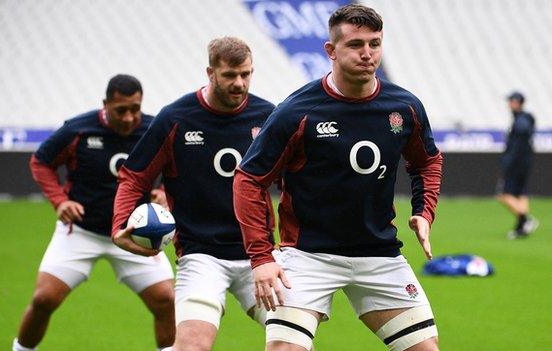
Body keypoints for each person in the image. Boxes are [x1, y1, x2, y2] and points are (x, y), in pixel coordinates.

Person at [233, 4, 442, 351]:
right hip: (308, 256)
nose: (367, 54)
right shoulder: (297, 112)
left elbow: (427, 162)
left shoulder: (404, 107)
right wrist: (261, 257)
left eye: (374, 44)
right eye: (356, 45)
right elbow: (248, 179)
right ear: (331, 50)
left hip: (379, 255)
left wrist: (424, 211)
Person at [112, 37, 275, 351]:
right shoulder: (176, 117)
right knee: (192, 347)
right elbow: (134, 177)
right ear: (210, 72)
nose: (239, 83)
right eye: (230, 75)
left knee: (295, 341)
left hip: (259, 255)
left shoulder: (268, 116)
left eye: (246, 74)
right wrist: (120, 224)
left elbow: (296, 181)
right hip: (201, 256)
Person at [13, 75, 175, 351]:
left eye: (135, 109)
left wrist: (164, 192)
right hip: (81, 231)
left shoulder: (153, 129)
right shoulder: (78, 129)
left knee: (166, 301)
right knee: (44, 299)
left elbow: (175, 166)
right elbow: (40, 162)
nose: (128, 117)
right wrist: (59, 201)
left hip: (135, 234)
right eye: (121, 110)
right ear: (106, 104)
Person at [497, 91, 538, 239]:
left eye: (511, 101)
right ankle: (522, 227)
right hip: (524, 163)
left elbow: (517, 146)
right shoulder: (525, 119)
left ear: (517, 102)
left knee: (503, 195)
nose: (509, 104)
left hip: (516, 164)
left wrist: (507, 163)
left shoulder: (521, 122)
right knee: (521, 194)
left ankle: (526, 219)